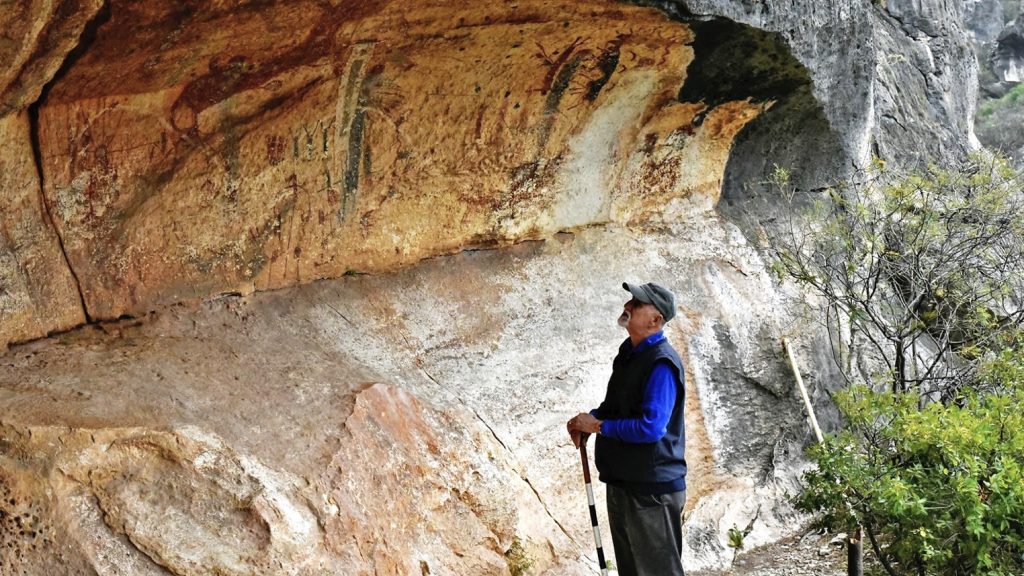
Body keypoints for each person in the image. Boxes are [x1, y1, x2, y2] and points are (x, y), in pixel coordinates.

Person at [567, 282, 687, 576]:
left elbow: (651, 428)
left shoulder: (661, 363)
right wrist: (587, 420)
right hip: (625, 482)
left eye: (637, 303)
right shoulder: (629, 354)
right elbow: (616, 407)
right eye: (631, 299)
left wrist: (598, 426)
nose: (628, 305)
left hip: (651, 491)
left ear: (656, 319)